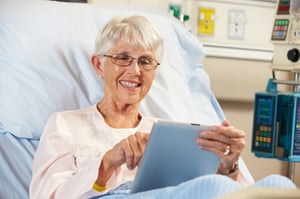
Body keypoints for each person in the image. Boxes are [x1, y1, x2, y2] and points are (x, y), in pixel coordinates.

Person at [29, 15, 296, 199]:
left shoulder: (167, 133)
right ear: (99, 65)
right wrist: (107, 162)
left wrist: (228, 165)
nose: (135, 71)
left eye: (145, 61)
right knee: (212, 186)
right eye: (123, 58)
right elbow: (45, 195)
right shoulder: (64, 124)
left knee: (280, 185)